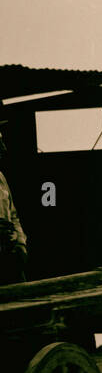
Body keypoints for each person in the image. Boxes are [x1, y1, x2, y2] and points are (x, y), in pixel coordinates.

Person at [0, 120, 27, 286]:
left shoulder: (1, 178)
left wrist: (20, 244)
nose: (3, 148)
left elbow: (14, 215)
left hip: (9, 258)